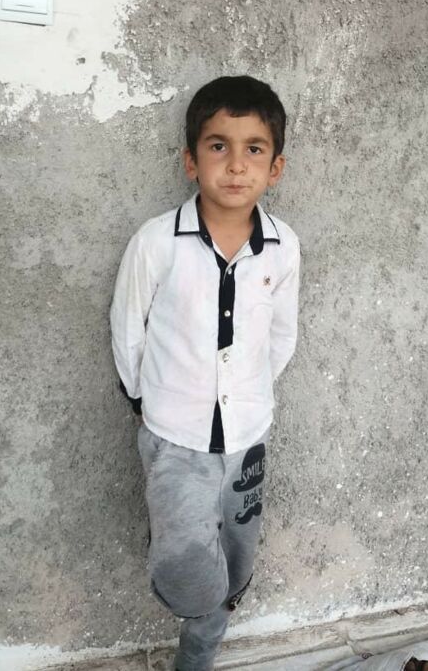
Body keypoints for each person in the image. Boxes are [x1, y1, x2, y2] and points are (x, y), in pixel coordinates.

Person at [110, 75, 300, 671]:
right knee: (189, 564)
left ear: (275, 168)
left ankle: (202, 651)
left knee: (237, 556)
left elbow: (280, 336)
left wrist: (248, 396)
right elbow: (128, 328)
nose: (236, 165)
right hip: (175, 439)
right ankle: (196, 627)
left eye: (254, 149)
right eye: (219, 146)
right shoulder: (156, 242)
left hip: (247, 439)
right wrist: (144, 401)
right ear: (191, 161)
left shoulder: (283, 247)